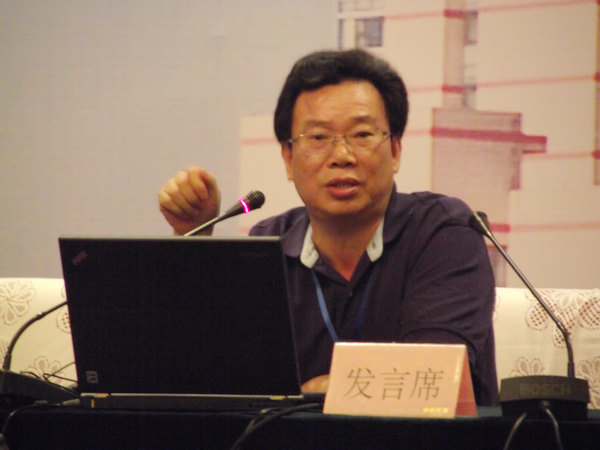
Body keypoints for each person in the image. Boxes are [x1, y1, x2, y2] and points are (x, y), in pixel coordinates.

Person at [158, 49, 499, 405]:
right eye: (318, 138)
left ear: (396, 150)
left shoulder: (444, 233)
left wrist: (328, 390)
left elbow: (435, 378)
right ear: (288, 158)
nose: (342, 156)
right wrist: (193, 242)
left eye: (362, 134)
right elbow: (216, 378)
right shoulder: (268, 247)